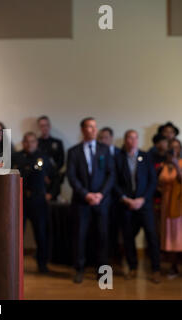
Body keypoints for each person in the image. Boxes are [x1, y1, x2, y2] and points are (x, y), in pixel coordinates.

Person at [67, 117, 114, 283]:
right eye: (89, 127)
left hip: (102, 201)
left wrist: (100, 194)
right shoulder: (73, 151)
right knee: (80, 236)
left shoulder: (105, 149)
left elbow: (111, 174)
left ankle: (102, 272)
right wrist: (86, 194)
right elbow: (71, 177)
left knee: (102, 236)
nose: (93, 130)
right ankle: (79, 269)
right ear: (82, 130)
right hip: (82, 201)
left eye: (95, 127)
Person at [114, 130, 161, 283]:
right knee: (128, 237)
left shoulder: (145, 156)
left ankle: (155, 269)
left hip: (144, 204)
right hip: (126, 205)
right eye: (129, 137)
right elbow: (114, 182)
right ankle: (132, 267)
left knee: (152, 236)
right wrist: (125, 199)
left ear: (137, 140)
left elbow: (153, 181)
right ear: (125, 140)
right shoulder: (118, 158)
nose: (132, 140)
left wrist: (143, 199)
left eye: (135, 137)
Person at [12, 132, 51, 273]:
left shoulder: (43, 158)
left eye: (32, 141)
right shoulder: (16, 157)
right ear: (23, 143)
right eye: (27, 141)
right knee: (17, 235)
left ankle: (42, 264)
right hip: (19, 201)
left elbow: (55, 177)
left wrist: (51, 194)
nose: (30, 144)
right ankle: (15, 265)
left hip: (38, 201)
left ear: (36, 143)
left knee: (41, 234)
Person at [158, 138, 182, 278]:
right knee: (169, 234)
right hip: (166, 202)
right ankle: (173, 266)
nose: (174, 150)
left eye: (177, 147)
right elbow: (158, 183)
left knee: (179, 233)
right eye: (172, 148)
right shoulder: (164, 165)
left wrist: (176, 165)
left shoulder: (180, 163)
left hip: (179, 203)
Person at [98, 127, 122, 263]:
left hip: (118, 196)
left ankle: (116, 256)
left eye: (105, 137)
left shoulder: (119, 153)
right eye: (100, 138)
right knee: (103, 229)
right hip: (104, 196)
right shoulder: (98, 152)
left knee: (117, 228)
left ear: (111, 138)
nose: (103, 140)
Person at [37, 116, 65, 200]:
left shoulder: (57, 142)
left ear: (50, 126)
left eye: (46, 125)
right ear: (39, 127)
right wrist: (43, 175)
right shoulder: (35, 143)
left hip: (55, 179)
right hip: (40, 179)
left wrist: (51, 175)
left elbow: (61, 161)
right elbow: (35, 160)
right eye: (42, 125)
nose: (44, 127)